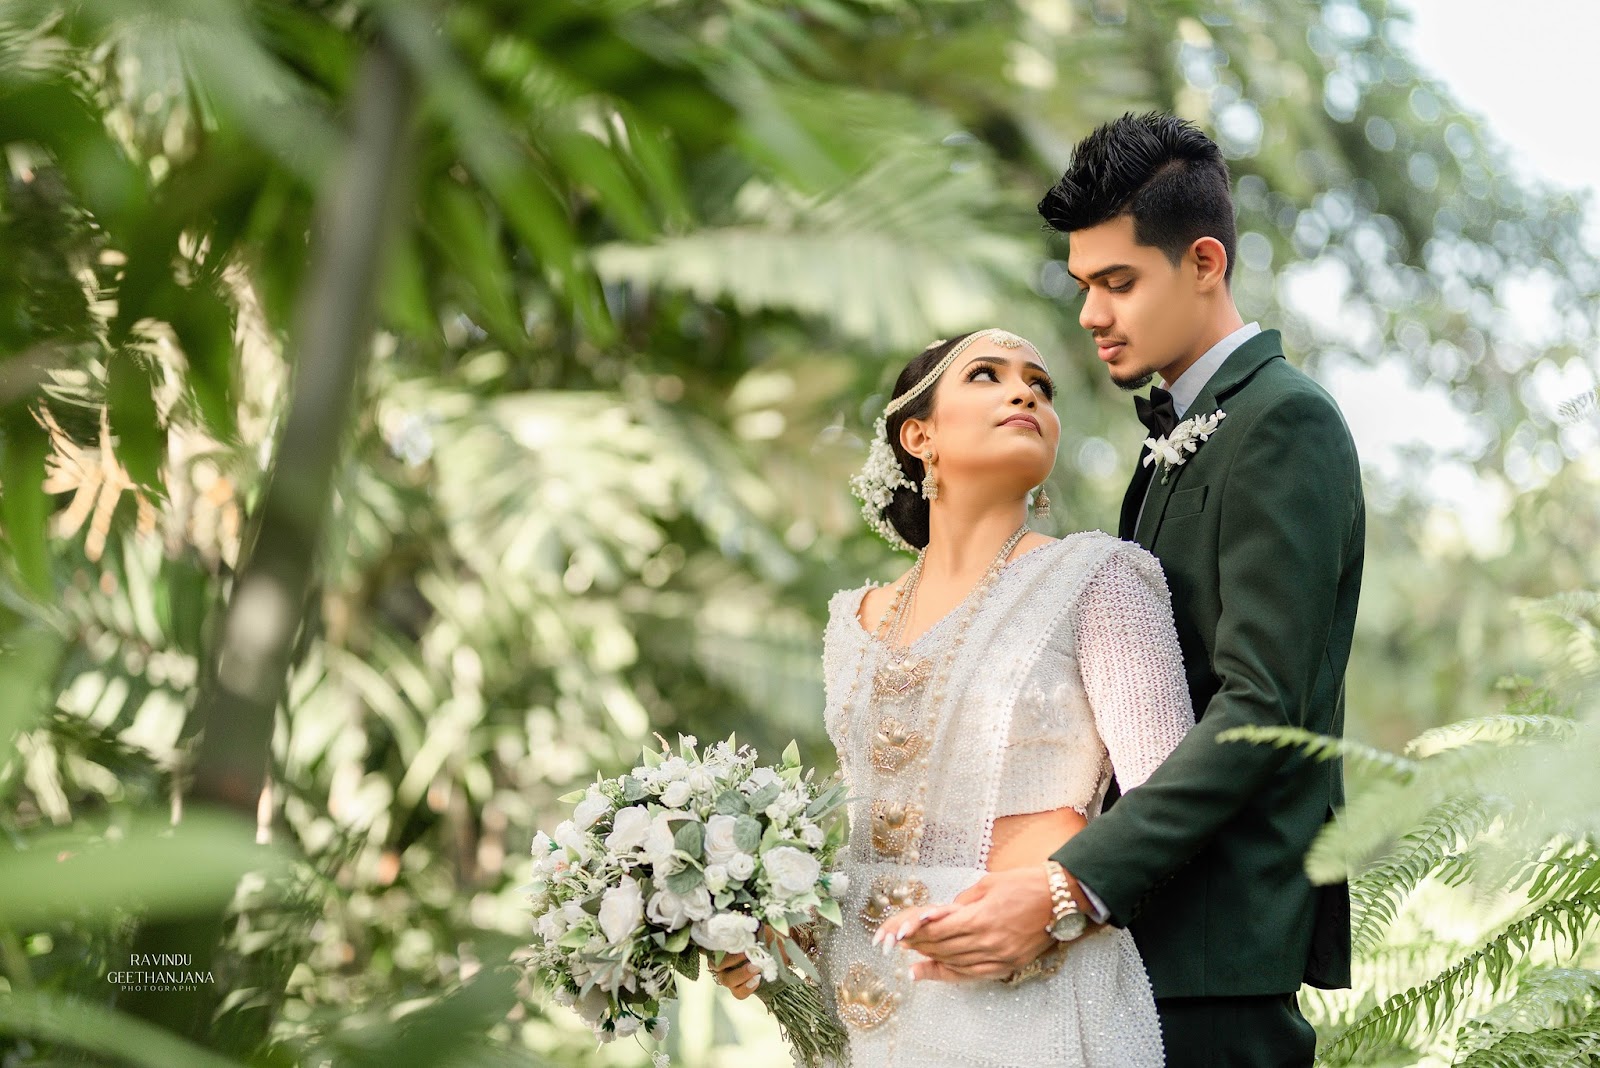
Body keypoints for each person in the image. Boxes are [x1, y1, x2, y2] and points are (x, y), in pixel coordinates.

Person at [901, 114, 1366, 1068]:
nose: (1090, 316)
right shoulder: (1167, 448)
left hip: (1216, 953)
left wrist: (1071, 885)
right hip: (1129, 952)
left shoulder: (1285, 425)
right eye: (1083, 286)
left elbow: (1259, 707)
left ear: (1204, 261)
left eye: (1119, 282)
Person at [713, 327, 1195, 1066]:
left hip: (1030, 991)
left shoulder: (1100, 577)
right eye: (987, 374)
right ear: (920, 434)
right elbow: (866, 832)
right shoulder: (851, 622)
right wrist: (774, 930)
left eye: (1041, 384)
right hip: (855, 1010)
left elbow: (1174, 801)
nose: (1025, 391)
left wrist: (1062, 904)